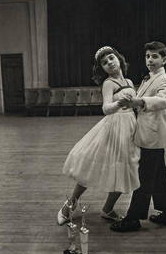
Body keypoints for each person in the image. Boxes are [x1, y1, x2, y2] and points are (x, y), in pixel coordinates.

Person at [57, 46, 140, 226]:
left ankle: (108, 209)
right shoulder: (108, 83)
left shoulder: (130, 82)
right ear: (102, 68)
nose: (109, 63)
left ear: (119, 59)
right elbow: (105, 108)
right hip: (113, 128)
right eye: (104, 62)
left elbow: (135, 106)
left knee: (125, 171)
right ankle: (69, 205)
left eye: (111, 58)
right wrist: (119, 103)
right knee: (91, 169)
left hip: (130, 128)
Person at [110, 41, 166, 232]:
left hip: (152, 137)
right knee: (159, 176)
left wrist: (140, 101)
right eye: (147, 56)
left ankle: (133, 219)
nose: (150, 60)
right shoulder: (149, 78)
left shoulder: (164, 80)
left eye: (155, 56)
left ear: (164, 59)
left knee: (144, 179)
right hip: (151, 136)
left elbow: (164, 100)